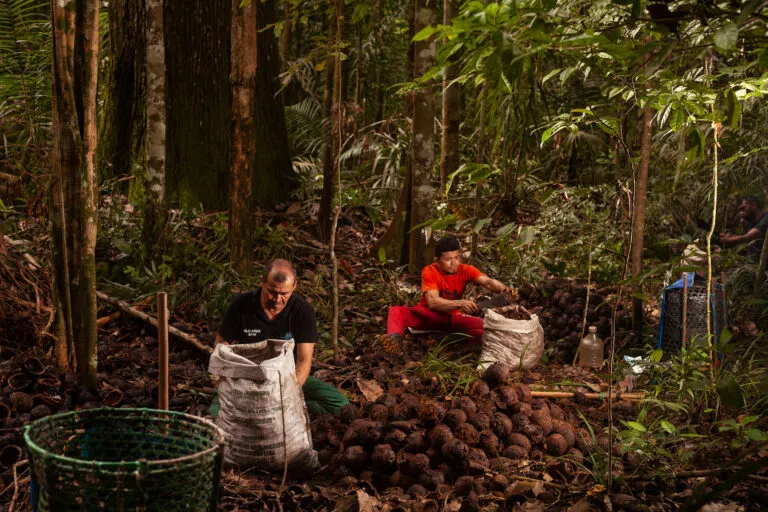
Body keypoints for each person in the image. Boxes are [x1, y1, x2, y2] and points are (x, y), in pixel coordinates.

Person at [211, 258, 349, 416]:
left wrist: (288, 393)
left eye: (284, 294)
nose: (277, 299)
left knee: (340, 405)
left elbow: (304, 361)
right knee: (217, 413)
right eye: (272, 292)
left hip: (286, 378)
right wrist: (220, 374)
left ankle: (297, 408)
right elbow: (221, 343)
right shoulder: (242, 305)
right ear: (262, 282)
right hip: (246, 378)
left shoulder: (303, 311)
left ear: (294, 286)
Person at [383, 235, 514, 348]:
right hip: (428, 316)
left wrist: (505, 290)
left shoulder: (466, 270)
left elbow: (488, 282)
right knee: (396, 311)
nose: (454, 263)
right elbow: (433, 302)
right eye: (448, 259)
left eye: (457, 257)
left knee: (483, 328)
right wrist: (461, 303)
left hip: (452, 318)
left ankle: (441, 341)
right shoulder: (430, 271)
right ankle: (394, 339)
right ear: (437, 260)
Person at [718, 195, 768, 261]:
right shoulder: (751, 223)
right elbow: (744, 242)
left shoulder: (766, 219)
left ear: (753, 204)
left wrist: (717, 239)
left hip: (761, 268)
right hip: (751, 264)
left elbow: (746, 237)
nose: (741, 213)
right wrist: (726, 236)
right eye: (739, 211)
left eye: (743, 208)